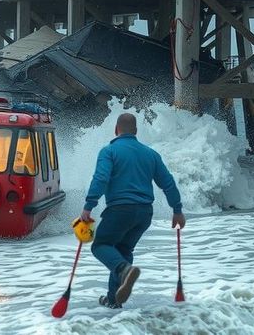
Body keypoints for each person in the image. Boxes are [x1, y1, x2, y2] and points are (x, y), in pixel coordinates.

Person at [79, 112, 185, 309]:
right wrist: (177, 210)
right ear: (135, 131)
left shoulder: (109, 151)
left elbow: (101, 179)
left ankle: (123, 270)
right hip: (144, 214)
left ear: (116, 130)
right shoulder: (150, 154)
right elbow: (168, 184)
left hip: (120, 210)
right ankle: (113, 299)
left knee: (100, 245)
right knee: (123, 249)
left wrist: (89, 206)